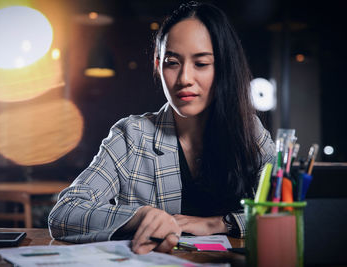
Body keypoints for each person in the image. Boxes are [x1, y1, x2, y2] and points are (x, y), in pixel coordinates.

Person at [48, 1, 275, 255]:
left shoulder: (249, 131)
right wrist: (137, 217)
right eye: (172, 62)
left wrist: (221, 223)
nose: (185, 79)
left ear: (223, 69)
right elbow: (65, 212)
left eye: (201, 64)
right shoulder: (132, 136)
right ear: (158, 66)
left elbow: (285, 210)